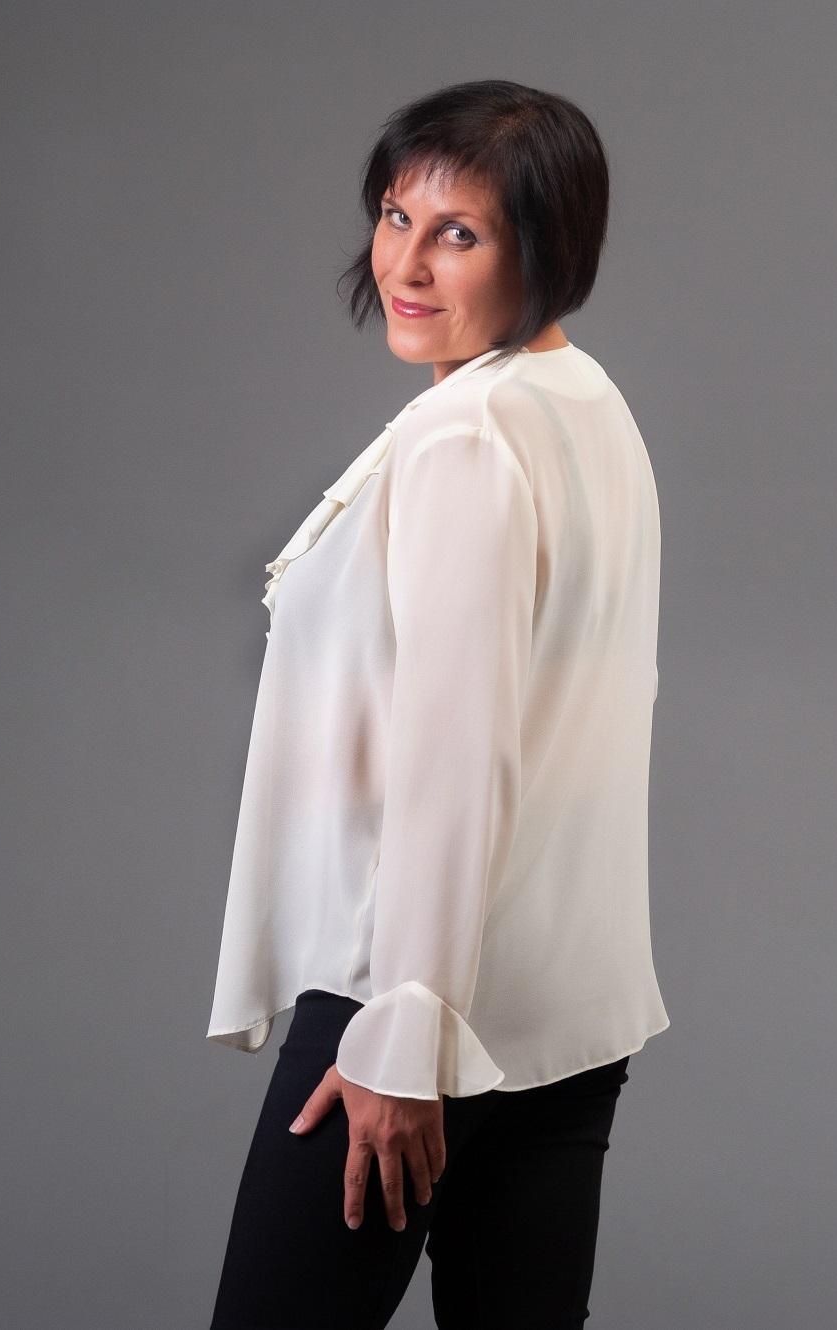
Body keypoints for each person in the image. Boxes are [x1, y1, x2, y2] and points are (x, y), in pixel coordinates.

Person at [205, 78, 670, 1329]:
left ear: (544, 246)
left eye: (456, 233)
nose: (405, 265)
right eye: (393, 216)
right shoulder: (585, 402)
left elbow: (454, 759)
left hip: (407, 1006)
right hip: (560, 1019)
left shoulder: (467, 437)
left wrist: (403, 1038)